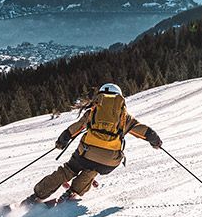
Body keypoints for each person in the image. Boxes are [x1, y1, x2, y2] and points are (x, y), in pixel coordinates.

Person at [30, 83, 162, 203]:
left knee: (68, 170)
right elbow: (144, 131)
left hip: (85, 154)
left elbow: (77, 127)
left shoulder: (92, 112)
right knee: (93, 169)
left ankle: (38, 195)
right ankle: (73, 192)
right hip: (109, 161)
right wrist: (155, 141)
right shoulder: (124, 117)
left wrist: (62, 140)